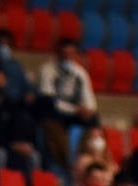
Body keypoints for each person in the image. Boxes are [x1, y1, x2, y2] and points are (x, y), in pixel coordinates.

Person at [36, 38, 97, 172]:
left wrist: (88, 110)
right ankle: (64, 163)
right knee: (48, 111)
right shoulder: (48, 69)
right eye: (64, 53)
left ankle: (94, 162)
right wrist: (76, 110)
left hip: (73, 113)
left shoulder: (80, 72)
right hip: (54, 111)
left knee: (94, 118)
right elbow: (49, 98)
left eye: (71, 54)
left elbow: (88, 97)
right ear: (58, 54)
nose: (67, 57)